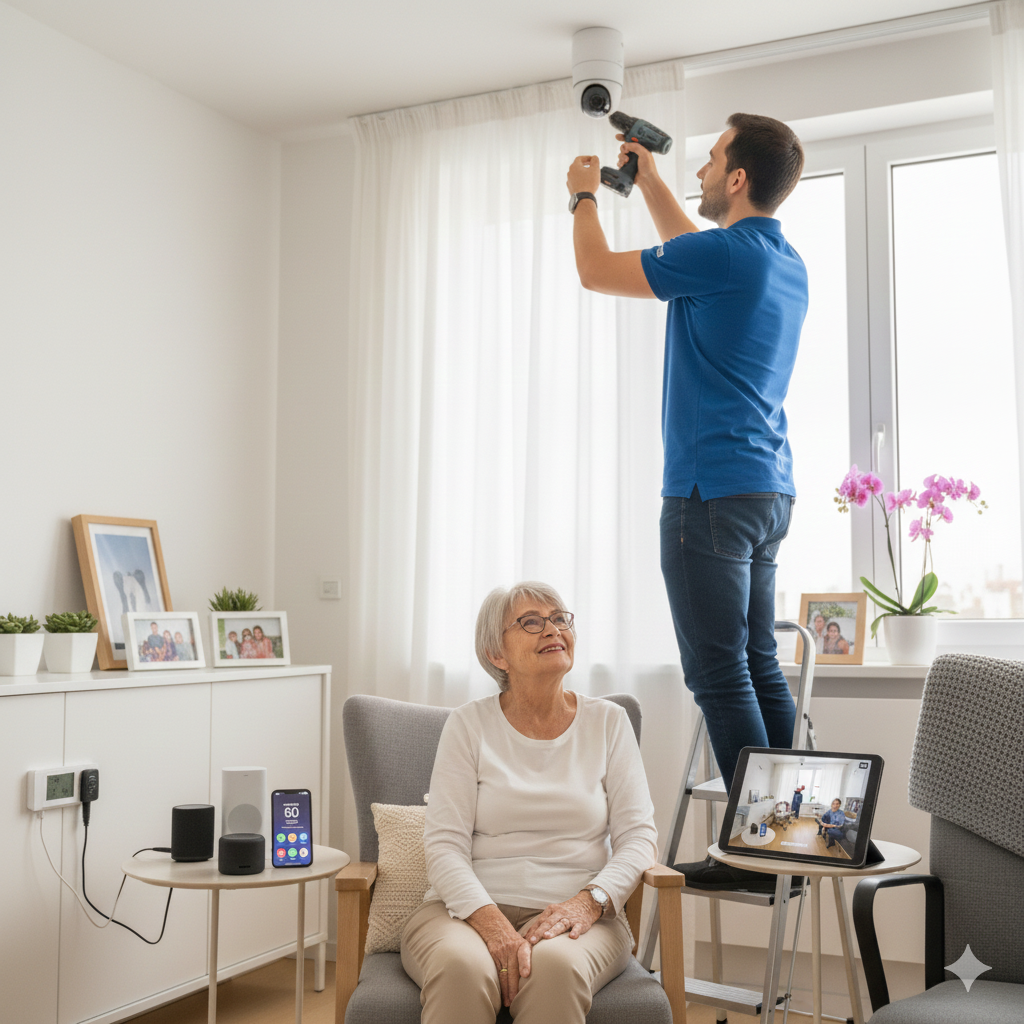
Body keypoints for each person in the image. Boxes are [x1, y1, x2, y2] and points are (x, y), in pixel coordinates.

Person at [568, 114, 807, 889]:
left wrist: (583, 198)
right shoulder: (779, 258)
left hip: (707, 490)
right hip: (766, 488)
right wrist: (656, 182)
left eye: (711, 162)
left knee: (716, 673)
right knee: (759, 664)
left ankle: (760, 851)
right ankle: (800, 840)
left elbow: (597, 271)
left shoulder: (722, 254)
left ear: (738, 178)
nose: (702, 172)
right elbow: (695, 247)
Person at [400, 582, 658, 1024]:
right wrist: (493, 926)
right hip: (465, 911)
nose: (553, 630)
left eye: (560, 618)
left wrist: (588, 902)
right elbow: (444, 845)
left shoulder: (609, 722)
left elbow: (639, 839)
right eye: (532, 623)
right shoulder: (468, 725)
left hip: (581, 918)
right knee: (461, 967)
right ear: (496, 654)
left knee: (554, 968)